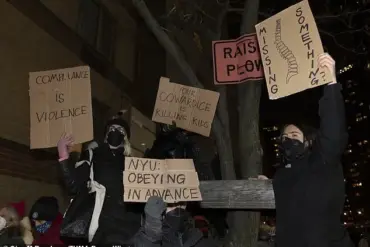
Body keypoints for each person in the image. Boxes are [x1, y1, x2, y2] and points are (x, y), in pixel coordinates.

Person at [272, 53, 354, 246]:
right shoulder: (282, 175)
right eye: (284, 138)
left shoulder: (323, 160)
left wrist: (331, 84)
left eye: (294, 136)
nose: (288, 140)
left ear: (309, 141)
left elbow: (333, 131)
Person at [57, 110, 142, 244]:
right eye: (112, 128)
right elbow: (74, 186)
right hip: (101, 227)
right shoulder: (92, 155)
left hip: (129, 228)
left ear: (125, 137)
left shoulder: (134, 164)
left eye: (120, 129)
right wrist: (64, 157)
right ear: (106, 134)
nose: (115, 131)